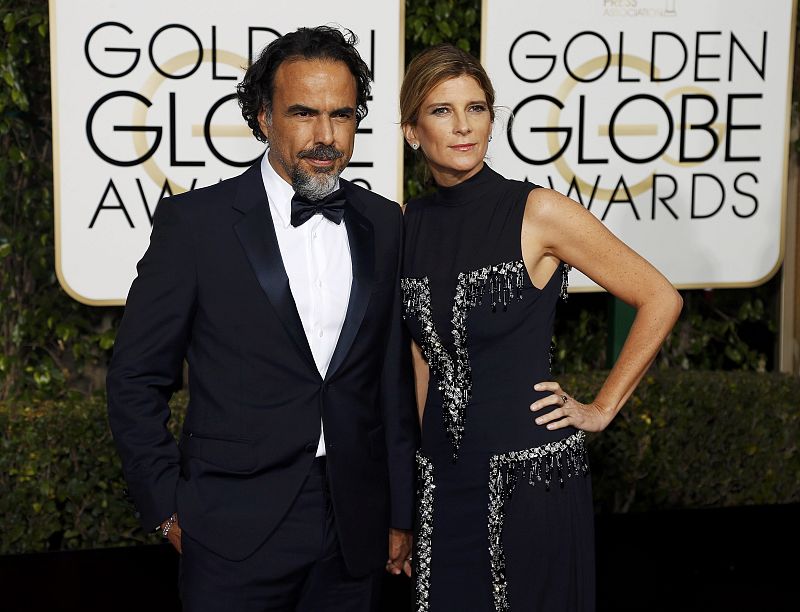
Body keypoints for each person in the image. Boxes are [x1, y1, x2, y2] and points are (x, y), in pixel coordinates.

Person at [107, 26, 417, 612]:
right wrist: (166, 507)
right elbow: (135, 378)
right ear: (264, 118)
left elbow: (391, 384)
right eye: (303, 113)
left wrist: (400, 511)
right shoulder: (196, 225)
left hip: (354, 530)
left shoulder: (385, 223)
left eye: (341, 114)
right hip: (230, 530)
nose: (325, 136)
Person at [399, 44, 682, 612]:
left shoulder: (537, 211)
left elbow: (659, 297)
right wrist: (409, 491)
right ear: (412, 131)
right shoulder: (407, 223)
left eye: (476, 108)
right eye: (442, 110)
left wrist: (601, 408)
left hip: (531, 479)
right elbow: (421, 358)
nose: (463, 126)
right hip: (441, 484)